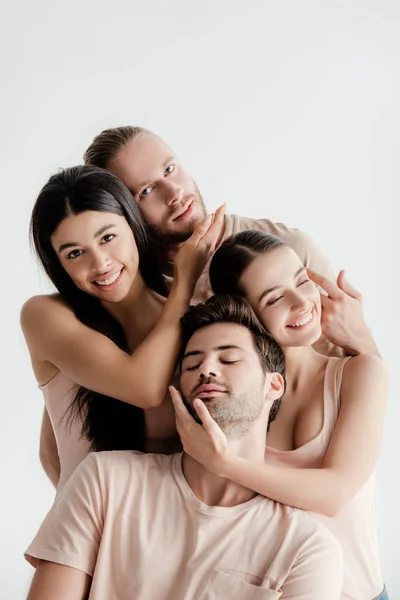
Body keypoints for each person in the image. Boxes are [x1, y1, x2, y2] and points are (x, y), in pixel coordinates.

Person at [25, 295, 343, 600]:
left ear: (273, 385)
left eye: (229, 358)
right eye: (191, 366)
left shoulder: (306, 547)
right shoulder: (105, 481)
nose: (207, 369)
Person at [170, 230, 388, 600]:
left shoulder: (360, 373)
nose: (302, 301)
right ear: (248, 317)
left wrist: (226, 463)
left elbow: (334, 494)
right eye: (275, 298)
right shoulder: (232, 397)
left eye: (301, 280)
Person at [84, 124, 379, 359]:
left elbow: (364, 384)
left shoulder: (289, 248)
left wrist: (361, 339)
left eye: (170, 169)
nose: (173, 192)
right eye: (146, 191)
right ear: (121, 213)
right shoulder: (132, 293)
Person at [21, 164, 224, 489]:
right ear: (58, 265)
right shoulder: (45, 316)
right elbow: (143, 388)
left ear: (134, 225)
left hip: (178, 525)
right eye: (75, 253)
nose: (100, 263)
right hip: (94, 528)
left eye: (108, 237)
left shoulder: (202, 316)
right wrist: (184, 281)